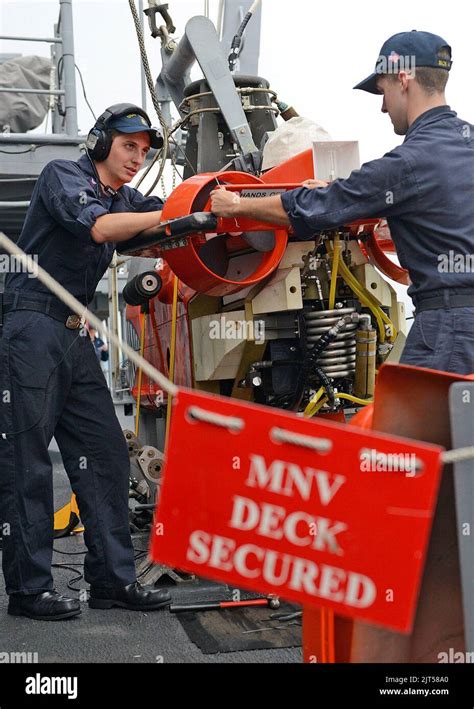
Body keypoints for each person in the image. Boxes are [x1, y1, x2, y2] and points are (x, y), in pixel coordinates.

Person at [211, 30, 474, 376]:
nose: (382, 107)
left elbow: (321, 206)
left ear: (404, 79)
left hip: (449, 330)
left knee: (414, 429)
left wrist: (237, 205)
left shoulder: (409, 163)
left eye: (383, 92)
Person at [0, 103, 171, 620]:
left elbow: (164, 213)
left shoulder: (125, 197)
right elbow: (99, 229)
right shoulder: (62, 175)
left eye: (143, 150)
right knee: (26, 460)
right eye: (128, 146)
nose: (137, 157)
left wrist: (219, 204)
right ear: (100, 143)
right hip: (31, 325)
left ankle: (112, 580)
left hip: (73, 334)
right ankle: (29, 591)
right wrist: (169, 215)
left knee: (104, 453)